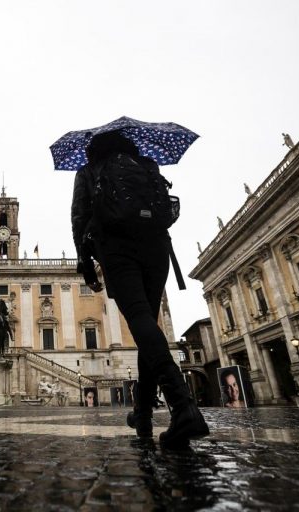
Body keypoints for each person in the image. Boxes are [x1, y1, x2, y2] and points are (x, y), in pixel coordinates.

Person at [71, 131, 209, 447]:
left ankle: (183, 405)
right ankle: (143, 413)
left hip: (117, 248)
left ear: (94, 149)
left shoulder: (89, 171)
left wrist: (85, 261)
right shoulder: (147, 164)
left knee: (138, 318)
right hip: (157, 248)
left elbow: (80, 218)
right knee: (149, 324)